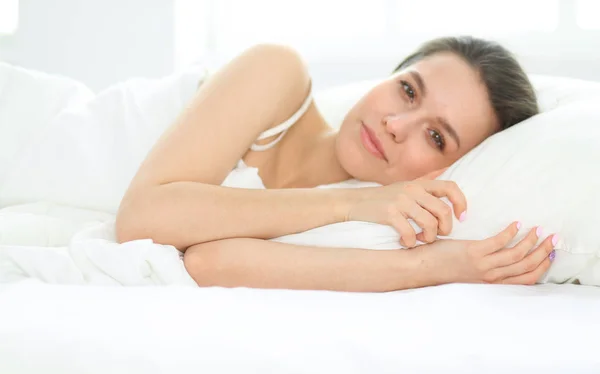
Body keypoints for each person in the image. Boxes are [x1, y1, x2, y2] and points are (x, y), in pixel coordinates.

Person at [115, 36, 557, 292]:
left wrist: (431, 267)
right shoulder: (277, 72)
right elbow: (142, 219)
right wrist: (354, 204)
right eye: (407, 90)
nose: (396, 124)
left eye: (436, 136)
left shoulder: (372, 220)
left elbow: (209, 263)